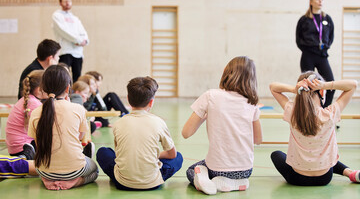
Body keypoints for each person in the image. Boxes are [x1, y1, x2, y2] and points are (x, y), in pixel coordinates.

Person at [182, 56, 263, 195]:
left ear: (226, 72)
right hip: (245, 170)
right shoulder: (252, 103)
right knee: (233, 172)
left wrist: (205, 117)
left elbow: (186, 133)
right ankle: (236, 183)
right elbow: (258, 140)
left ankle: (205, 181)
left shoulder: (210, 96)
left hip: (217, 169)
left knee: (192, 170)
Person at [269, 71, 359, 185]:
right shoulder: (330, 114)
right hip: (325, 178)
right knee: (327, 156)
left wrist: (294, 89)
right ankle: (349, 172)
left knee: (276, 154)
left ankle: (349, 172)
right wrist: (325, 85)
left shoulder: (292, 112)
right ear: (321, 91)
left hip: (296, 178)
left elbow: (273, 87)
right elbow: (353, 84)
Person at [96, 76, 183, 190]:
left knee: (103, 152)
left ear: (128, 99)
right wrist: (154, 156)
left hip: (122, 183)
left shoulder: (119, 123)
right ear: (151, 102)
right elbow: (172, 155)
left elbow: (119, 155)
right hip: (152, 183)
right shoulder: (159, 122)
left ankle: (124, 177)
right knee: (179, 157)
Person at [28, 65, 98, 190]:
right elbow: (80, 137)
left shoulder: (35, 112)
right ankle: (73, 183)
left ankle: (47, 181)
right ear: (68, 88)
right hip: (74, 169)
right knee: (95, 171)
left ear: (43, 88)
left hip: (44, 171)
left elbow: (37, 143)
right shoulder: (77, 109)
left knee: (43, 166)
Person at [296, 0, 335, 107]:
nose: (320, 1)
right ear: (311, 2)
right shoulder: (304, 20)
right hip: (308, 55)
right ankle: (308, 114)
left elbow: (331, 37)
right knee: (306, 86)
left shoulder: (327, 19)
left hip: (322, 55)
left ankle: (325, 112)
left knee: (330, 84)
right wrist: (308, 48)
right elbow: (298, 39)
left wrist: (325, 47)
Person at [7, 70, 45, 159]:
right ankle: (23, 159)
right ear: (39, 89)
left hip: (15, 148)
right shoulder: (35, 103)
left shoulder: (26, 100)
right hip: (23, 148)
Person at [52, 0, 89, 82]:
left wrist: (85, 41)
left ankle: (75, 96)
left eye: (69, 1)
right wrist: (77, 40)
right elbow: (64, 31)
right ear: (60, 3)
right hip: (66, 51)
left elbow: (83, 32)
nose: (68, 3)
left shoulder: (75, 18)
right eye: (65, 1)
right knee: (63, 76)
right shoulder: (57, 16)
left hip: (78, 52)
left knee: (77, 78)